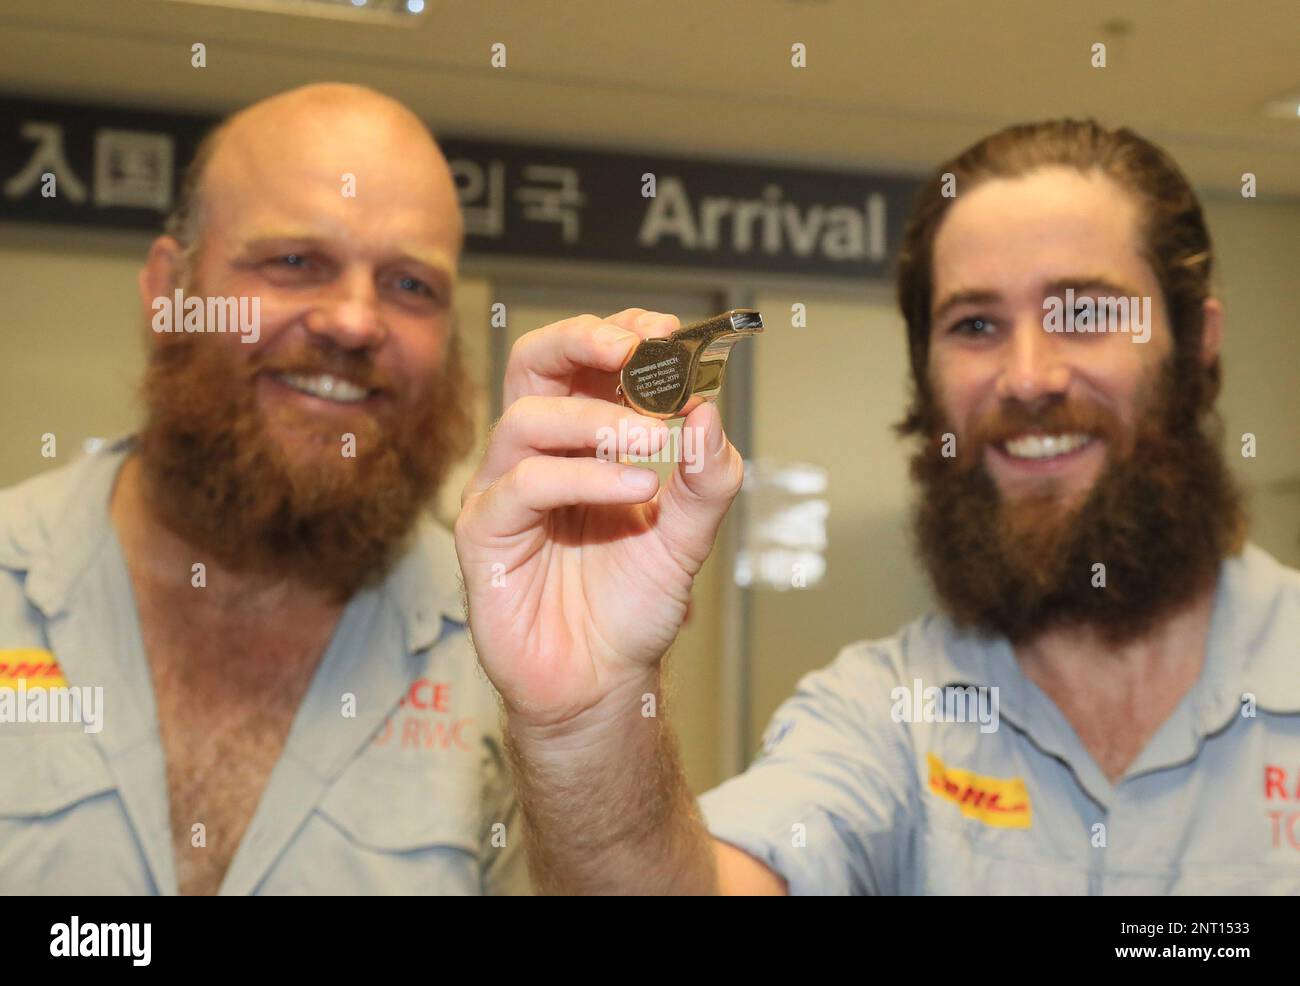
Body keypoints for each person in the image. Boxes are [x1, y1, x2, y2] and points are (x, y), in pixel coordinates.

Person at [454, 119, 1300, 894]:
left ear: (1198, 348)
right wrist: (591, 714)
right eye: (975, 325)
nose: (1029, 376)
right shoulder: (882, 714)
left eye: (1082, 313)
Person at [0, 83, 527, 895]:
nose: (354, 322)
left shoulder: (512, 658)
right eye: (293, 263)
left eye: (409, 285)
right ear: (169, 292)